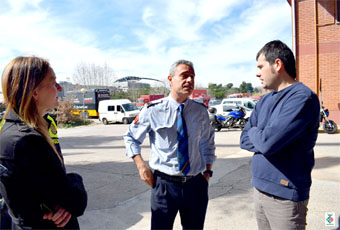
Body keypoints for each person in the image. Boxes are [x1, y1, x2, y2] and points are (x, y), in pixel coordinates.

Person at [124, 59, 216, 229]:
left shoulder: (200, 111)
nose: (189, 80)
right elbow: (131, 137)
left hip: (195, 184)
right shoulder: (153, 109)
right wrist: (141, 165)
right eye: (184, 76)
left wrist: (208, 171)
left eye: (192, 77)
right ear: (170, 79)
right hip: (165, 186)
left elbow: (208, 142)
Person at [240, 40, 320, 230]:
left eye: (260, 66)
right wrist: (259, 134)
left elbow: (268, 143)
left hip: (285, 194)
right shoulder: (264, 100)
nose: (257, 73)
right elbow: (243, 139)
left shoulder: (301, 98)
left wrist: (254, 130)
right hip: (260, 188)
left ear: (277, 64)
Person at [0, 56, 87, 229]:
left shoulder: (13, 130)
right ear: (34, 92)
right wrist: (75, 179)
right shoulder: (28, 141)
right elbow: (75, 202)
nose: (59, 88)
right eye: (53, 82)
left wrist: (59, 201)